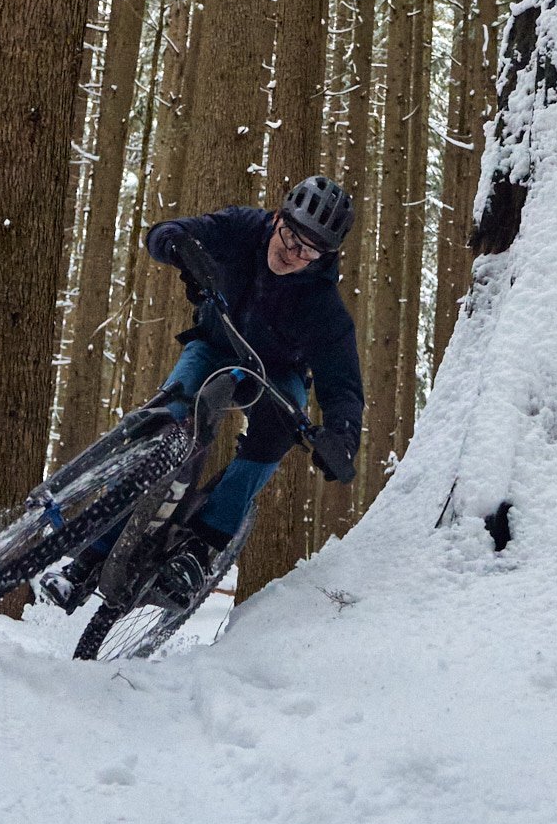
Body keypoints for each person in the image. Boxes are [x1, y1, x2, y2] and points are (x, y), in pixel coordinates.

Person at [42, 175, 364, 608]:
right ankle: (87, 561)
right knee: (171, 425)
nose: (292, 253)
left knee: (278, 433)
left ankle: (202, 546)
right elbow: (165, 233)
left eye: (308, 251)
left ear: (324, 256)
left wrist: (341, 437)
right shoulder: (243, 227)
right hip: (215, 345)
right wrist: (180, 247)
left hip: (274, 375)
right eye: (290, 236)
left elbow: (342, 384)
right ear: (277, 219)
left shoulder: (325, 308)